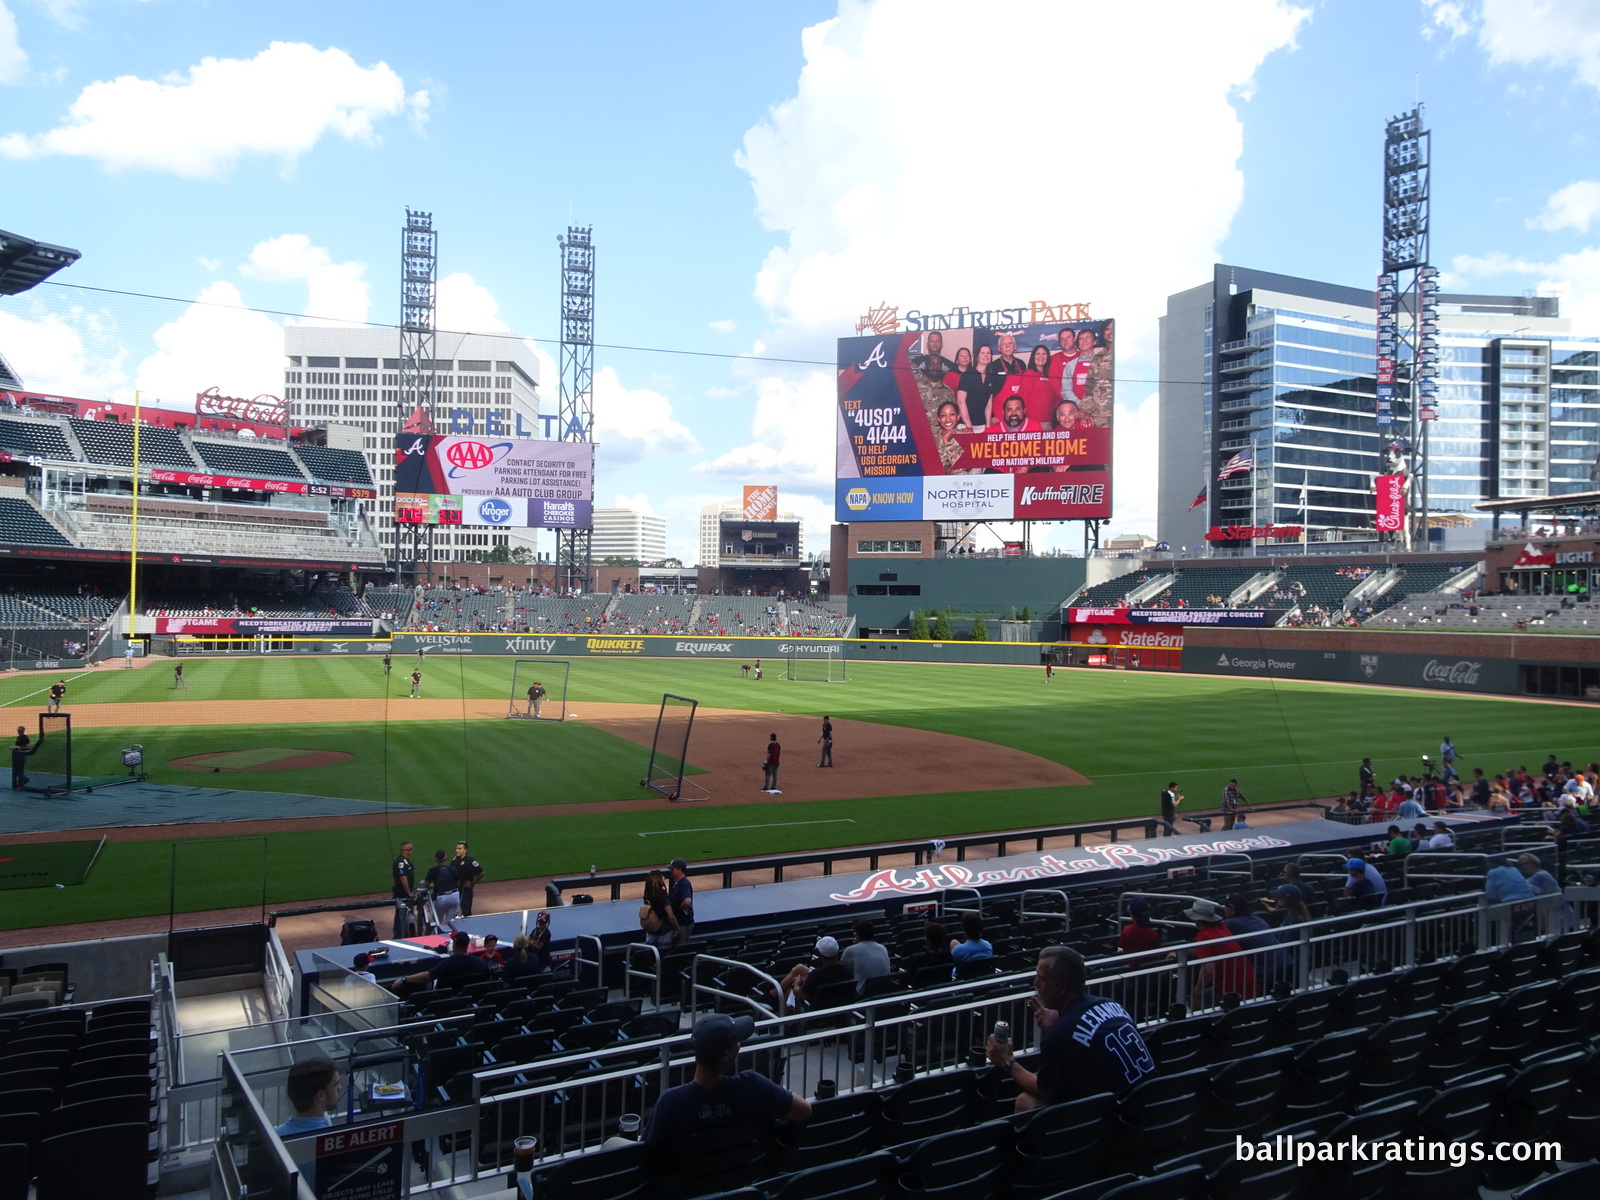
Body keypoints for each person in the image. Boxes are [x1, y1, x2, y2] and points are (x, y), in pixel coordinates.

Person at [984, 945, 1156, 1113]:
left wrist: (1006, 1061)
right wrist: (1060, 1025)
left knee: (1024, 1101)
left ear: (1063, 987)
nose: (1035, 983)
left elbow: (1045, 1093)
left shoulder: (1061, 1034)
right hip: (1151, 1100)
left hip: (1117, 1119)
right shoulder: (1111, 1004)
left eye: (1041, 978)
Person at [642, 1013, 810, 1158]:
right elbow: (804, 1110)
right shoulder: (753, 1086)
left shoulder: (670, 1103)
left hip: (690, 1187)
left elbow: (646, 1155)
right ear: (726, 1055)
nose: (740, 1044)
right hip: (744, 1184)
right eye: (736, 1040)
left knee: (614, 1142)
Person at [1182, 898, 1258, 1008]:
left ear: (1197, 921)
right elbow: (1209, 949)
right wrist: (1182, 952)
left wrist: (1198, 989)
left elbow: (1208, 971)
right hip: (1251, 984)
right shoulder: (1223, 928)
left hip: (1233, 990)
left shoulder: (1204, 936)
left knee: (1194, 999)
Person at [399, 930, 492, 993]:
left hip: (447, 1005)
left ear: (454, 946)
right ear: (467, 945)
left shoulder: (448, 964)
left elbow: (427, 976)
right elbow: (488, 979)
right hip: (472, 1002)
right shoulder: (480, 962)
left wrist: (404, 979)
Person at [774, 936, 851, 1010]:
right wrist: (806, 980)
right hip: (841, 1004)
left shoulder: (816, 975)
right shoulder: (848, 967)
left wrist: (796, 983)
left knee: (789, 991)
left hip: (820, 1007)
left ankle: (785, 1020)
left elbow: (799, 994)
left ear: (820, 954)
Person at [276, 1057, 341, 1137]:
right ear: (321, 1095)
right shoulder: (324, 1136)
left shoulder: (276, 1136)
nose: (339, 1087)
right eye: (336, 1084)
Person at [840, 918, 893, 996]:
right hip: (884, 992)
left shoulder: (850, 950)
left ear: (857, 934)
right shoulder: (883, 948)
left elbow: (843, 972)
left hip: (862, 995)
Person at [956, 343, 997, 430]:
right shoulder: (967, 374)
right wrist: (969, 426)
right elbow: (961, 402)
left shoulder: (991, 377)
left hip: (981, 425)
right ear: (976, 357)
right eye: (982, 353)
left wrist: (988, 426)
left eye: (988, 353)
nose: (986, 355)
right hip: (965, 425)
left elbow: (988, 405)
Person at [424, 849, 461, 930]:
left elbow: (426, 885)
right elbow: (458, 884)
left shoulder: (432, 870)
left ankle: (436, 940)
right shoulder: (453, 869)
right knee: (451, 924)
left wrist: (434, 886)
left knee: (437, 923)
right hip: (455, 896)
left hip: (442, 898)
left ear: (436, 859)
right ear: (445, 858)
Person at [640, 869, 675, 947]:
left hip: (651, 933)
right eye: (662, 876)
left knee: (651, 956)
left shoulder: (647, 896)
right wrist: (677, 928)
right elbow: (671, 916)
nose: (664, 877)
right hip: (665, 933)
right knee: (664, 955)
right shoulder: (663, 896)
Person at [391, 841, 416, 939]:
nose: (411, 851)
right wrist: (409, 892)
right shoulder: (400, 862)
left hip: (405, 893)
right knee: (401, 915)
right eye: (409, 849)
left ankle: (409, 934)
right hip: (402, 894)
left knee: (408, 915)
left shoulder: (406, 861)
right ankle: (398, 936)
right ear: (403, 850)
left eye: (411, 849)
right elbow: (403, 878)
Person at [452, 841, 483, 917]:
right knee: (454, 909)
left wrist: (472, 883)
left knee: (465, 910)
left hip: (465, 890)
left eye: (459, 849)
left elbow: (481, 872)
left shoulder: (470, 861)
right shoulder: (455, 859)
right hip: (456, 888)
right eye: (456, 848)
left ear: (465, 850)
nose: (457, 850)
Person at [668, 857, 694, 946]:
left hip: (683, 925)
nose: (670, 871)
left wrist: (681, 908)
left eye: (672, 869)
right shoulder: (678, 883)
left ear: (679, 869)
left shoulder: (684, 884)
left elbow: (687, 901)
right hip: (680, 924)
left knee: (681, 949)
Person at [10, 725, 33, 791]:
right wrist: (15, 747)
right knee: (16, 771)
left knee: (20, 771)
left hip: (22, 755)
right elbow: (19, 746)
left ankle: (20, 786)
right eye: (18, 730)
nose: (18, 731)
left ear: (23, 731)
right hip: (17, 755)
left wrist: (20, 748)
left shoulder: (25, 738)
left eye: (20, 730)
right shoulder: (19, 737)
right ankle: (24, 780)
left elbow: (29, 747)